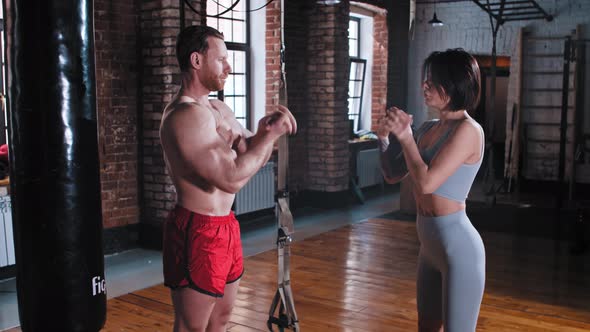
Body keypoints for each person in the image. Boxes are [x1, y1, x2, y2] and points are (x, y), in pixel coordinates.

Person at [159, 25, 297, 332]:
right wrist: (268, 137)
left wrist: (266, 131)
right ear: (196, 60)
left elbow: (252, 151)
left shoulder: (218, 109)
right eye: (220, 59)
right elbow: (231, 178)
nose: (229, 67)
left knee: (220, 320)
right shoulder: (185, 116)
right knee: (191, 325)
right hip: (197, 229)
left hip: (226, 227)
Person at [377, 48, 486, 332]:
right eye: (425, 79)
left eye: (432, 80)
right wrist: (384, 138)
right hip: (429, 246)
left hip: (458, 248)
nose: (424, 85)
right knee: (426, 328)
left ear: (453, 86)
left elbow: (426, 183)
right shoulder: (427, 128)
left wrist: (405, 137)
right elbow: (392, 174)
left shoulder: (469, 131)